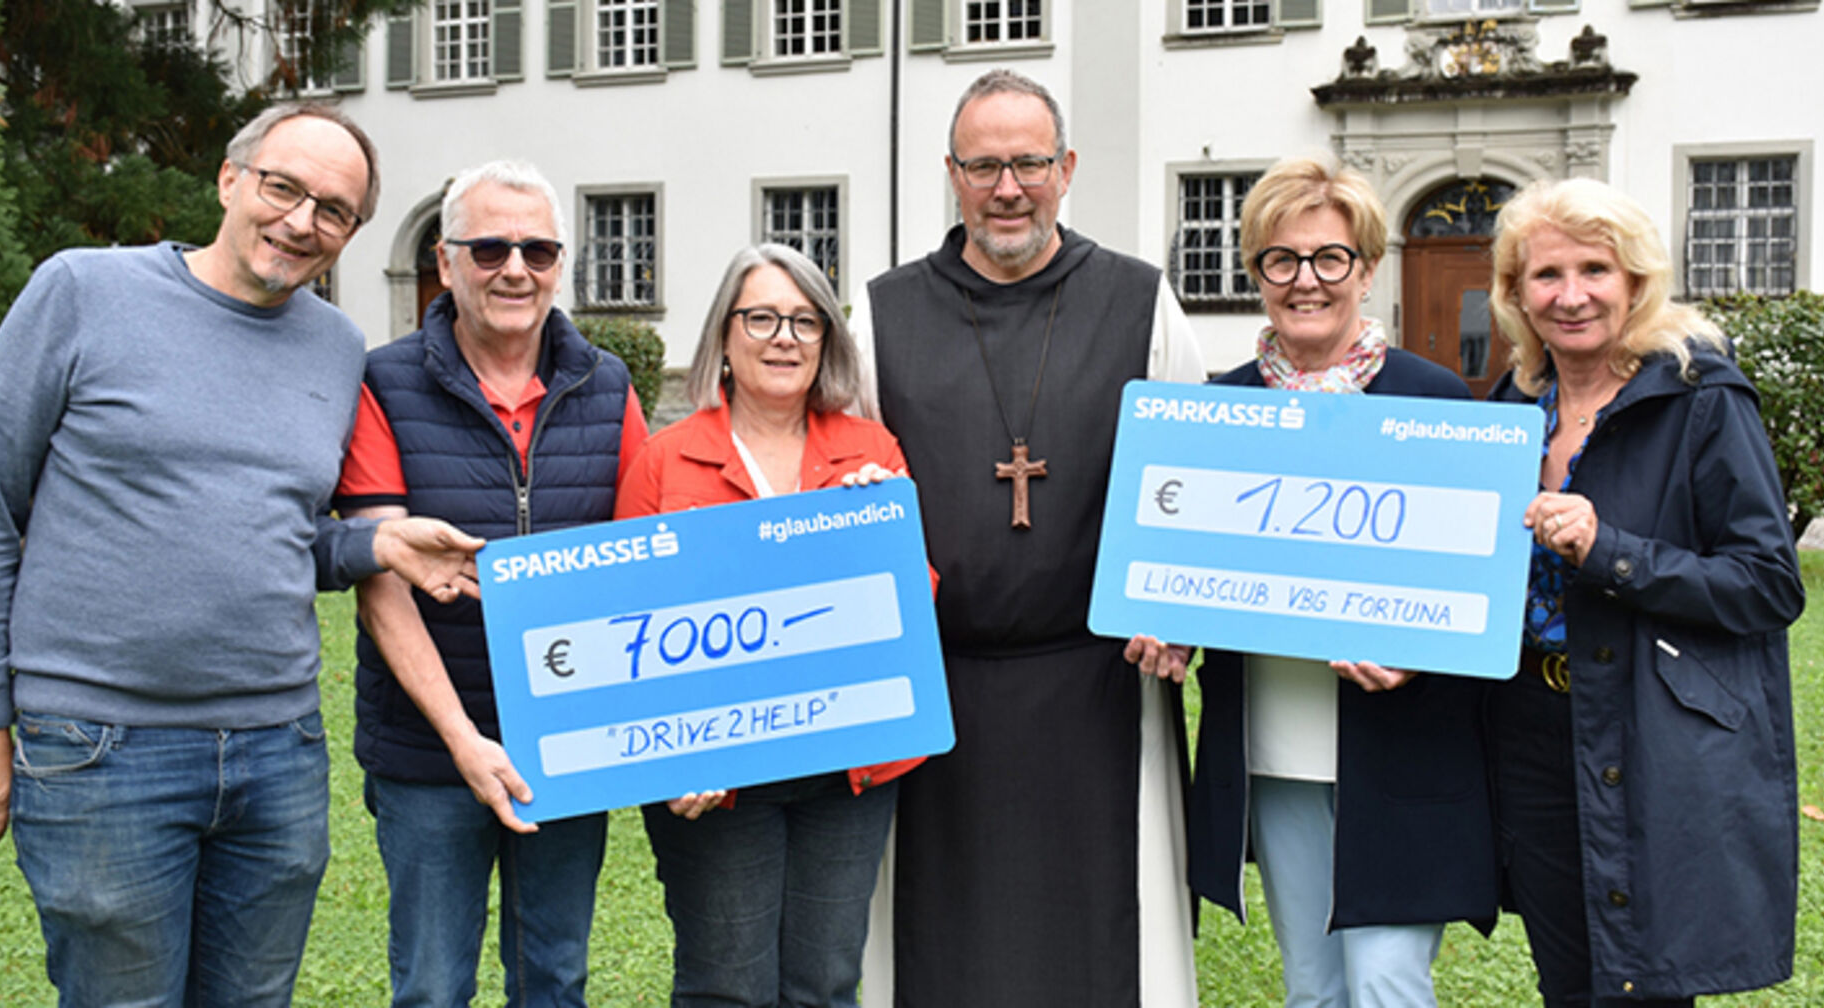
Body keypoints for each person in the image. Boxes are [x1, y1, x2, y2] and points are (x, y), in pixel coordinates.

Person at [0, 103, 485, 1008]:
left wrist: (373, 543)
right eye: (283, 188)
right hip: (102, 751)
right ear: (230, 181)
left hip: (279, 753)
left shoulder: (336, 346)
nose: (303, 221)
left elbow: (265, 533)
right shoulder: (82, 292)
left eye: (334, 210)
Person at [855, 69, 1205, 1007]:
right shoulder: (882, 316)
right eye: (984, 166)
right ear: (952, 174)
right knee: (934, 951)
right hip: (939, 687)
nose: (1007, 188)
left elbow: (1194, 485)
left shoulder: (1143, 304)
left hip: (1097, 683)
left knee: (1109, 944)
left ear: (1067, 168)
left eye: (1028, 163)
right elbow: (840, 485)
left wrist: (1175, 613)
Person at [1182, 156, 1496, 1008]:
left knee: (1388, 984)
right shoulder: (1221, 409)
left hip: (1401, 743)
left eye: (1329, 258)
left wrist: (1416, 651)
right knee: (1314, 988)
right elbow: (1190, 566)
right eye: (1280, 260)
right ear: (1255, 272)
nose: (1305, 281)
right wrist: (1171, 618)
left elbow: (1476, 585)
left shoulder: (1433, 399)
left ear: (1366, 267)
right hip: (1276, 747)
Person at [334, 159, 647, 1007]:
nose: (516, 269)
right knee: (432, 987)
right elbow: (380, 581)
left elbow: (652, 552)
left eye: (539, 251)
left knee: (555, 977)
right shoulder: (381, 382)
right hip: (429, 750)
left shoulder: (608, 385)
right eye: (490, 249)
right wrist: (464, 741)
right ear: (444, 262)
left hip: (567, 746)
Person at [1484, 177, 1802, 1006]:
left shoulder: (1700, 399)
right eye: (1546, 275)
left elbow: (1767, 584)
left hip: (1650, 728)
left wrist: (1609, 550)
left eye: (1596, 269)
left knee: (1641, 984)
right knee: (1567, 977)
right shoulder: (1513, 407)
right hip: (1530, 733)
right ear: (1515, 293)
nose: (1572, 295)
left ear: (1635, 281)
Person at [614, 243, 922, 1008]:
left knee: (825, 985)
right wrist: (669, 761)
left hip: (845, 771)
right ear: (724, 334)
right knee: (727, 988)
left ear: (827, 341)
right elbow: (626, 627)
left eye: (804, 321)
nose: (784, 337)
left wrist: (882, 529)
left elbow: (913, 602)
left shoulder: (871, 452)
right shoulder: (665, 461)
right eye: (761, 318)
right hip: (718, 780)